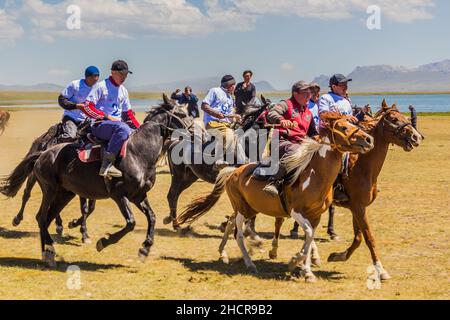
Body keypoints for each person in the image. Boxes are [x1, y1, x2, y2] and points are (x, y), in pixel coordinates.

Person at [81, 60, 140, 178]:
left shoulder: (124, 91)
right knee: (123, 129)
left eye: (126, 74)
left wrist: (140, 128)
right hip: (100, 125)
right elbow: (87, 106)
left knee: (138, 134)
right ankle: (107, 165)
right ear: (113, 72)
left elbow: (128, 115)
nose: (124, 77)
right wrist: (107, 117)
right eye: (121, 74)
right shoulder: (101, 86)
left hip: (117, 126)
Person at [262, 81, 319, 196]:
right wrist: (281, 120)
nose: (309, 95)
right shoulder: (286, 104)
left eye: (310, 92)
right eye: (305, 92)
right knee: (297, 151)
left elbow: (313, 133)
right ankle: (274, 181)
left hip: (301, 144)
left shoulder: (308, 112)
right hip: (282, 142)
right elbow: (272, 113)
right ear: (295, 93)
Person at [318, 74, 358, 201]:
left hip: (346, 137)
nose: (346, 87)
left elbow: (349, 121)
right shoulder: (326, 98)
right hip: (330, 138)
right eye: (342, 85)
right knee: (337, 160)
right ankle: (334, 187)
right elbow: (324, 114)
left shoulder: (346, 101)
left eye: (346, 84)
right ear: (334, 86)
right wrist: (344, 118)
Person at [202, 75, 242, 162]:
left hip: (226, 124)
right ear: (229, 85)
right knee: (228, 134)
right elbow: (204, 105)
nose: (234, 87)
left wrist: (236, 118)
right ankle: (219, 160)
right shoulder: (215, 91)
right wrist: (216, 114)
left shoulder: (230, 98)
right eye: (233, 85)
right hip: (213, 123)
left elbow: (229, 115)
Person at [58, 66, 100, 142]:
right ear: (87, 77)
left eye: (97, 76)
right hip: (71, 118)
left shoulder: (99, 88)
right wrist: (76, 106)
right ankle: (56, 143)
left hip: (87, 121)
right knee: (71, 136)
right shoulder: (75, 85)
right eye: (94, 76)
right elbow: (61, 100)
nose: (96, 79)